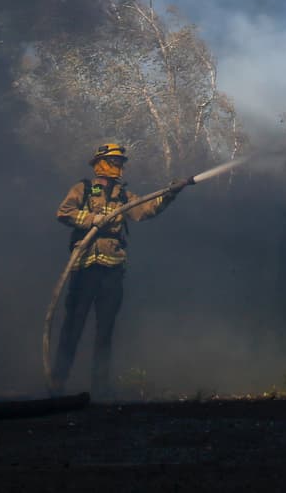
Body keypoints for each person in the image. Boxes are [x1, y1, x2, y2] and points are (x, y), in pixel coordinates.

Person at [49, 142, 189, 398]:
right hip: (84, 269)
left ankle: (100, 387)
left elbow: (145, 210)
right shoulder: (83, 188)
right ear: (100, 163)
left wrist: (170, 193)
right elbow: (64, 212)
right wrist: (92, 219)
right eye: (113, 162)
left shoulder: (124, 195)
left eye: (120, 163)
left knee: (105, 331)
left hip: (112, 272)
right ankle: (58, 381)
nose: (117, 167)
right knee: (73, 327)